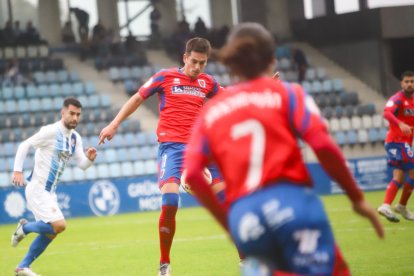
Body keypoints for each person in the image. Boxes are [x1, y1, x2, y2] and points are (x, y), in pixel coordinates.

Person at [184, 22, 384, 275]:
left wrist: (230, 223)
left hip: (247, 219)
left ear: (231, 65)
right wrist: (356, 199)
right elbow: (323, 146)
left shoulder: (211, 110)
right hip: (294, 205)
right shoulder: (290, 94)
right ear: (270, 61)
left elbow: (191, 175)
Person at [98, 37, 225, 276]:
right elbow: (137, 98)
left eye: (203, 63)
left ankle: (245, 260)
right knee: (169, 203)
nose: (198, 67)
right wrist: (114, 125)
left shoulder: (208, 82)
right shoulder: (164, 77)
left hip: (201, 148)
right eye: (194, 61)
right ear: (185, 57)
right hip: (173, 148)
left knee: (228, 199)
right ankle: (164, 265)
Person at [11, 97, 97, 276]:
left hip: (50, 192)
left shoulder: (75, 138)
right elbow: (25, 144)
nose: (75, 118)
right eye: (72, 113)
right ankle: (24, 228)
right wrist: (17, 170)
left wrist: (89, 159)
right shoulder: (50, 131)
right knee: (59, 225)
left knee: (51, 232)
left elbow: (81, 164)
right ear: (63, 112)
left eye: (78, 115)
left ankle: (22, 267)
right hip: (38, 188)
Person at [377, 70, 414, 222]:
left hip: (403, 143)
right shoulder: (397, 99)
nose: (410, 84)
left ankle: (386, 205)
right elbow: (386, 113)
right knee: (413, 172)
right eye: (407, 81)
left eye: (412, 81)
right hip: (397, 141)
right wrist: (400, 123)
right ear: (401, 83)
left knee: (398, 176)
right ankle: (401, 206)